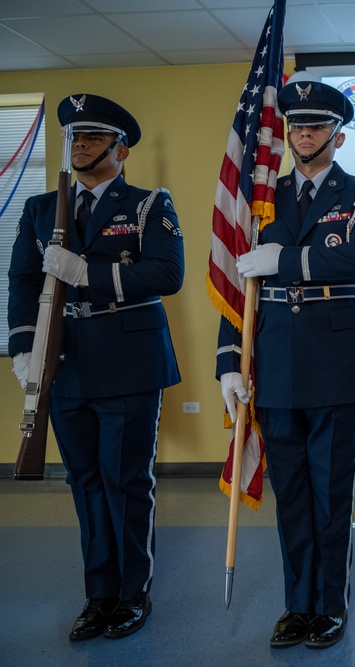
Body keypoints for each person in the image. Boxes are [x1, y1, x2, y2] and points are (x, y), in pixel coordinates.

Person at [216, 76, 355, 650]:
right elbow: (235, 282)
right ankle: (299, 604)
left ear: (338, 136)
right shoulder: (259, 198)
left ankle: (331, 605)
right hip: (274, 356)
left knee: (330, 490)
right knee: (291, 492)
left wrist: (286, 259)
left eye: (317, 125)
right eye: (297, 125)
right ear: (285, 133)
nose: (305, 133)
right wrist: (228, 363)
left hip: (335, 357)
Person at [8, 94, 184, 640]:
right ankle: (99, 594)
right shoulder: (41, 210)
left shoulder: (149, 204)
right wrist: (23, 347)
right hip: (66, 361)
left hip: (129, 360)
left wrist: (88, 272)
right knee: (84, 481)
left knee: (125, 481)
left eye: (92, 137)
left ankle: (133, 594)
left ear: (120, 149)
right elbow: (22, 282)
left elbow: (165, 273)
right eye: (74, 138)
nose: (80, 145)